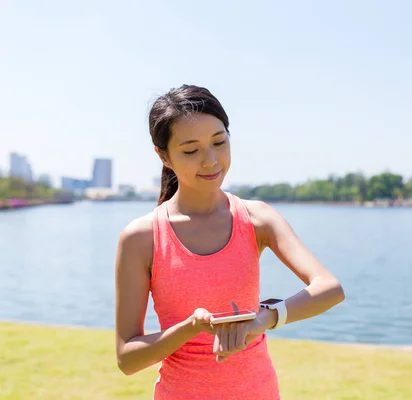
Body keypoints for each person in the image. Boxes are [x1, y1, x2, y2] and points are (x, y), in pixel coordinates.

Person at [114, 84, 346, 399]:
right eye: (191, 150)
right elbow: (127, 358)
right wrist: (190, 328)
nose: (210, 160)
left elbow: (329, 288)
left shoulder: (256, 218)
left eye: (219, 142)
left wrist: (264, 318)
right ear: (163, 155)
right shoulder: (141, 238)